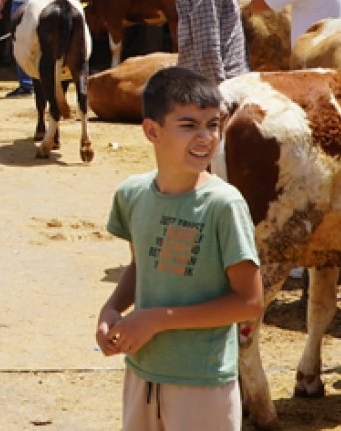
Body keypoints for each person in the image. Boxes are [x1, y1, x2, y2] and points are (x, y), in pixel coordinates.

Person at [96, 66, 262, 431]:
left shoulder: (224, 205)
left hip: (201, 383)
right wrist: (112, 308)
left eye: (213, 125)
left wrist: (154, 320)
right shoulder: (133, 194)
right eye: (188, 125)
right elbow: (142, 264)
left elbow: (249, 302)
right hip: (142, 371)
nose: (205, 137)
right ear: (152, 131)